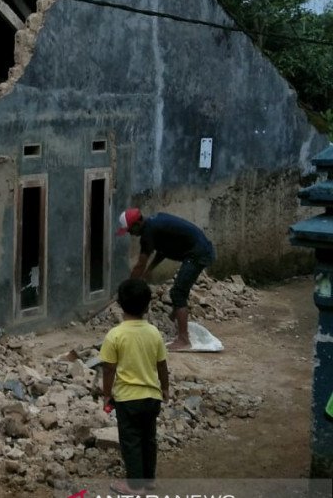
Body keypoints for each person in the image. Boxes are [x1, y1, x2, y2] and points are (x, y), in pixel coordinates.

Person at [100, 278, 169, 495]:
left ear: (119, 304)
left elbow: (109, 369)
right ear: (148, 306)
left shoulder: (115, 335)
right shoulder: (154, 333)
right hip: (151, 397)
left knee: (131, 441)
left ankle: (135, 485)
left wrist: (106, 394)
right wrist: (165, 388)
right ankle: (149, 480)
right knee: (149, 438)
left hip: (128, 400)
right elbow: (162, 365)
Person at [117, 207, 215, 351]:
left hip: (198, 253)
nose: (130, 234)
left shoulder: (147, 234)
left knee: (178, 292)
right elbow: (162, 251)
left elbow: (139, 264)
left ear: (137, 224)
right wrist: (148, 272)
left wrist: (128, 288)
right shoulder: (154, 224)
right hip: (200, 248)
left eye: (130, 230)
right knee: (180, 289)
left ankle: (183, 339)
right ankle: (173, 322)